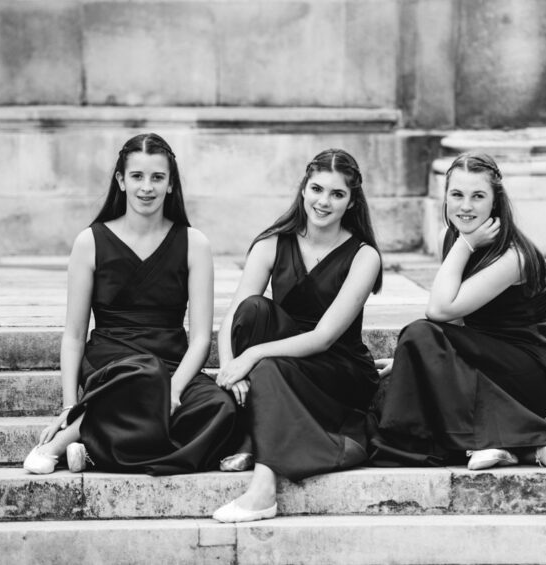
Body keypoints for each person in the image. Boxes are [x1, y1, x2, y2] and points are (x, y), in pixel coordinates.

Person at [23, 133, 239, 475]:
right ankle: (68, 436)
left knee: (220, 406)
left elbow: (200, 339)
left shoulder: (194, 244)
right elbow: (74, 335)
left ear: (171, 184)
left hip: (171, 365)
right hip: (112, 367)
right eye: (137, 176)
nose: (147, 187)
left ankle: (95, 449)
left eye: (158, 177)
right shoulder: (90, 242)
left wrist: (174, 390)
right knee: (146, 374)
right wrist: (69, 405)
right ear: (121, 181)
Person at [369, 153, 546, 471]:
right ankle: (507, 445)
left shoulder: (514, 256)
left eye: (478, 196)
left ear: (495, 201)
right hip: (485, 362)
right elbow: (454, 321)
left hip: (530, 373)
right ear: (445, 197)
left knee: (419, 331)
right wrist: (413, 360)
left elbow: (439, 310)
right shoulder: (451, 237)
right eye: (457, 194)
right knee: (418, 341)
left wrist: (464, 245)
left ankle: (524, 436)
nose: (465, 206)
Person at [211, 148, 383, 523]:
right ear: (304, 188)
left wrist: (252, 356)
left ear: (352, 202)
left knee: (267, 365)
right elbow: (232, 319)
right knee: (253, 310)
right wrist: (230, 368)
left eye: (337, 194)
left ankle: (262, 486)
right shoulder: (271, 243)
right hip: (284, 359)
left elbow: (324, 337)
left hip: (337, 369)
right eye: (317, 189)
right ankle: (258, 436)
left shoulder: (363, 255)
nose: (324, 201)